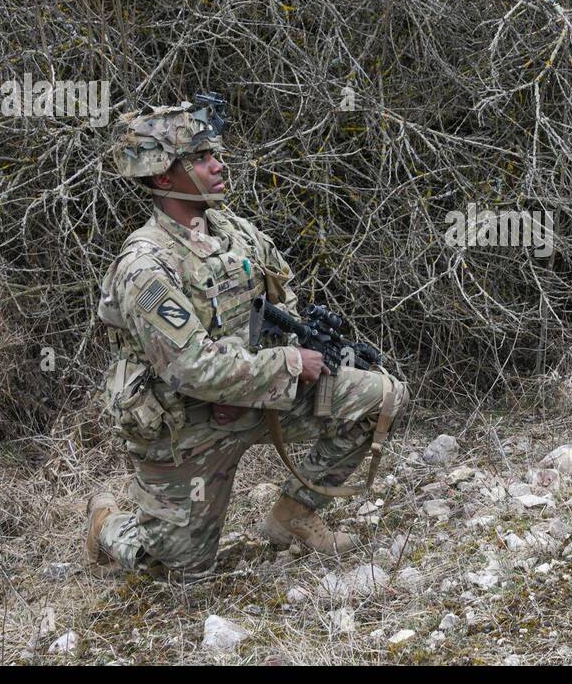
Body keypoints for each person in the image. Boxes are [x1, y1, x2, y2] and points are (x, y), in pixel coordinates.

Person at [86, 98, 408, 579]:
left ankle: (294, 516)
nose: (217, 165)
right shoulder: (145, 267)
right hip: (188, 427)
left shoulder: (236, 233)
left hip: (258, 397)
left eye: (213, 152)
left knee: (381, 397)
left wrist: (282, 363)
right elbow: (191, 367)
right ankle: (107, 525)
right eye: (198, 158)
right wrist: (288, 366)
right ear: (161, 178)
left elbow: (285, 302)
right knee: (176, 577)